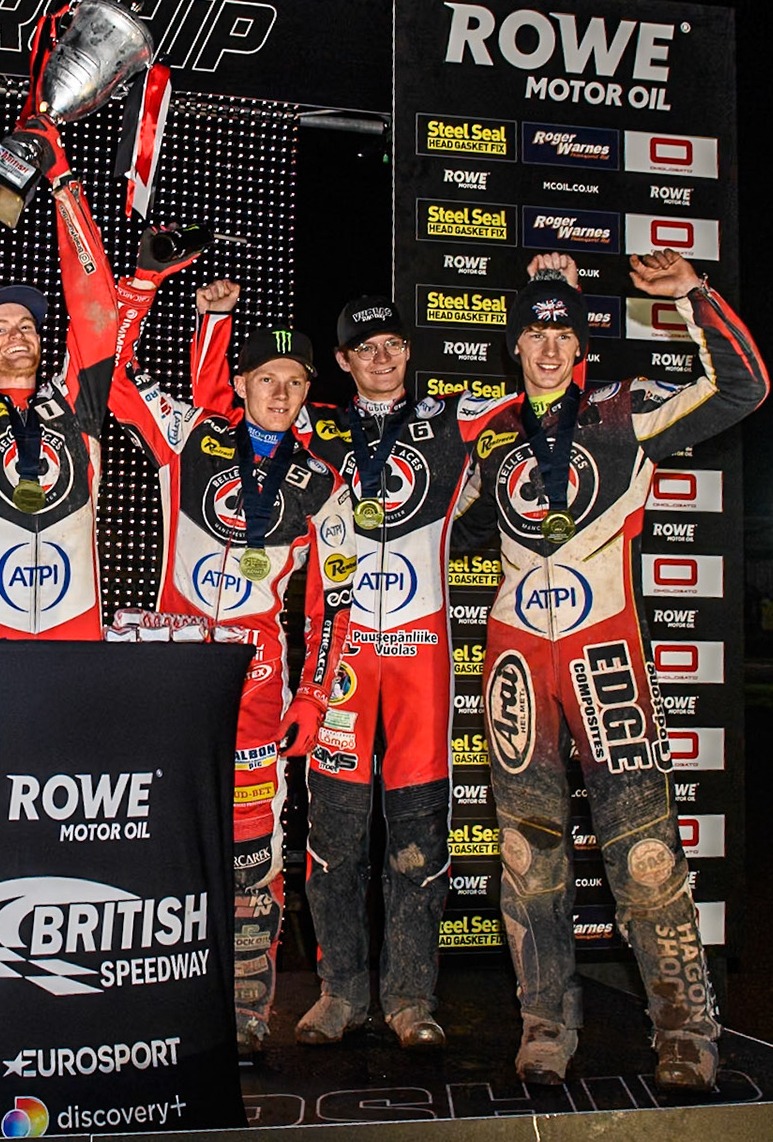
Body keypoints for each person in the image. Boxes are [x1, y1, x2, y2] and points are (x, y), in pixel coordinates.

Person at [457, 250, 766, 1089]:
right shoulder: (489, 433)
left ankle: (685, 1029)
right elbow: (443, 529)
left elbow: (742, 388)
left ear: (581, 345)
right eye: (534, 332)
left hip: (605, 653)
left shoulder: (625, 410)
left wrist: (695, 296)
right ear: (515, 345)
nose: (548, 346)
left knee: (645, 854)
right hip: (516, 659)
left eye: (563, 333)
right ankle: (544, 1021)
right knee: (527, 857)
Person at [188, 287, 501, 1049]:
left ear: (409, 352)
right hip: (345, 657)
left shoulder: (451, 418)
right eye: (366, 349)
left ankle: (411, 999)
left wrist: (567, 302)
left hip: (422, 653)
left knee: (419, 835)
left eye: (393, 344)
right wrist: (213, 323)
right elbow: (221, 412)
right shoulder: (312, 424)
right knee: (333, 834)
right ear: (342, 361)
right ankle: (340, 993)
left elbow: (547, 396)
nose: (382, 358)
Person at [112, 286, 356, 1056]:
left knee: (252, 852)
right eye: (266, 379)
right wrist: (147, 288)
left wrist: (314, 694)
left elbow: (335, 599)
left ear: (308, 393)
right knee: (160, 840)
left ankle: (247, 1010)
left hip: (257, 686)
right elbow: (113, 375)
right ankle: (153, 1001)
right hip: (174, 676)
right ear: (240, 383)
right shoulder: (191, 436)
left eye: (295, 382)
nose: (280, 393)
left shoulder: (324, 483)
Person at [0, 118, 176, 638]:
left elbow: (96, 311)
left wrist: (63, 184)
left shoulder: (75, 403)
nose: (18, 333)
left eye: (27, 325)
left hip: (74, 638)